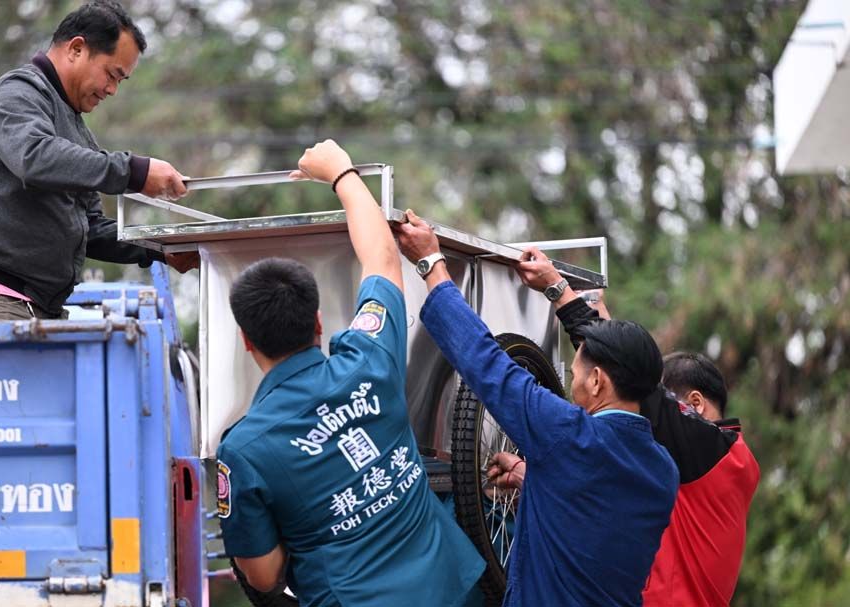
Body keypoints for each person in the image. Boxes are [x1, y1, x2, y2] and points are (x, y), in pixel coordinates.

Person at [217, 141, 485, 606]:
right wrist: (341, 171)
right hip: (452, 590)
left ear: (247, 341)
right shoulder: (369, 358)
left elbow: (263, 577)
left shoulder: (243, 450)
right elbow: (381, 258)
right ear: (319, 323)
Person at [393, 211, 678, 607]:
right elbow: (596, 515)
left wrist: (431, 264)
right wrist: (535, 475)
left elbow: (486, 362)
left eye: (576, 372)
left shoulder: (569, 435)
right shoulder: (662, 468)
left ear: (597, 381)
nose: (571, 381)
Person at [514, 248, 760, 607]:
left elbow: (636, 388)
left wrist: (559, 290)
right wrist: (536, 479)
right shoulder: (700, 471)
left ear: (694, 404)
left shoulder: (718, 456)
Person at [0, 0, 194, 321]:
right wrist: (135, 171)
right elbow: (35, 158)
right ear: (77, 49)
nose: (112, 90)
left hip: (35, 305)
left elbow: (91, 228)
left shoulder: (77, 132)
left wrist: (161, 248)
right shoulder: (15, 94)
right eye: (112, 74)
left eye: (121, 81)